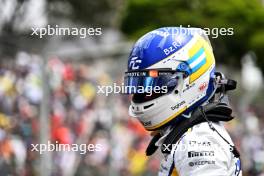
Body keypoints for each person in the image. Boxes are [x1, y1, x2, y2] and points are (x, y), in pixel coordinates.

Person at [124, 27, 242, 176]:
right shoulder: (192, 135)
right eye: (139, 85)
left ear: (186, 80)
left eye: (151, 86)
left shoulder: (198, 143)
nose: (142, 94)